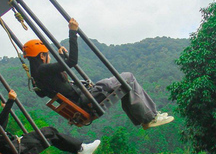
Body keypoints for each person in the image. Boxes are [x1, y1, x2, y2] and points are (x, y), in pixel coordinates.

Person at [24, 18, 174, 129]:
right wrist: (72, 32)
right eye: (47, 55)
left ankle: (146, 118)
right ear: (42, 56)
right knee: (127, 77)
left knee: (124, 84)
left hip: (81, 99)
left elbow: (54, 84)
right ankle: (149, 118)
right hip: (85, 98)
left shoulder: (37, 77)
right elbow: (72, 62)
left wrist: (62, 58)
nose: (49, 58)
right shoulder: (43, 70)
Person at [0, 90, 100, 154]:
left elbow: (0, 128)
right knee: (49, 131)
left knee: (52, 136)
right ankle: (81, 148)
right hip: (15, 149)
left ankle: (80, 149)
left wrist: (6, 109)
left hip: (12, 148)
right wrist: (10, 102)